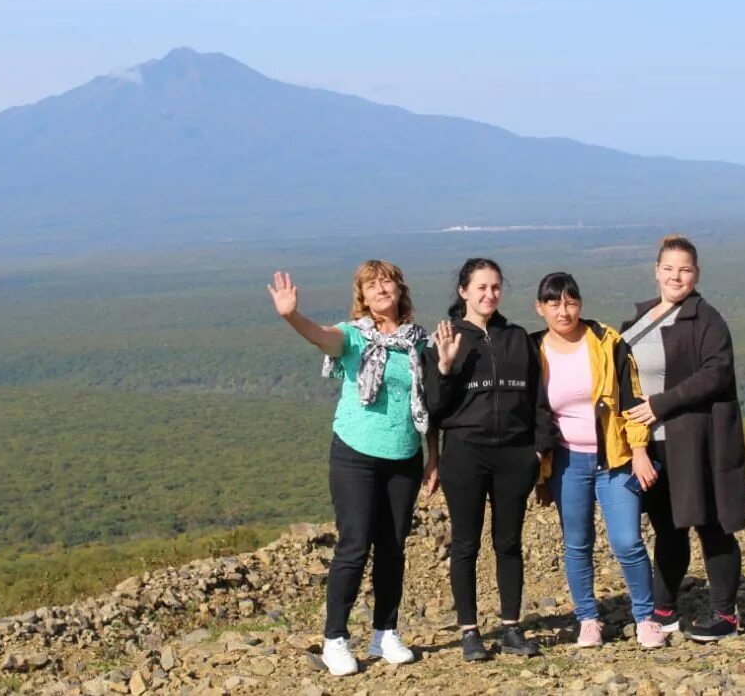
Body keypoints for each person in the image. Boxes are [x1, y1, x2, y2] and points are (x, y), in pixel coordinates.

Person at [267, 261, 429, 675]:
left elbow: (428, 402)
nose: (380, 289)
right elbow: (322, 337)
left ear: (399, 288)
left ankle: (385, 632)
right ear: (362, 294)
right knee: (354, 544)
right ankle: (335, 639)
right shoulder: (354, 336)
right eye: (371, 284)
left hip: (405, 454)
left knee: (392, 546)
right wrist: (291, 316)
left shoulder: (417, 342)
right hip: (355, 454)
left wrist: (435, 456)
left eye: (387, 281)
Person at [621, 235, 745, 642]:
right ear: (656, 271)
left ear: (697, 274)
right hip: (652, 443)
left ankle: (725, 614)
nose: (677, 276)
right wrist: (636, 442)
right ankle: (664, 608)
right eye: (670, 268)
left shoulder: (706, 319)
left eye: (686, 269)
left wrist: (662, 403)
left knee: (710, 523)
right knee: (668, 527)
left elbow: (717, 374)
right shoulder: (638, 321)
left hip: (695, 441)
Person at [531, 272, 666, 649]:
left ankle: (646, 617)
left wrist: (640, 451)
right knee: (577, 542)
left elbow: (632, 399)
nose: (564, 310)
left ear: (581, 304)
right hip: (566, 462)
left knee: (627, 541)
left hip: (616, 458)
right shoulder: (533, 350)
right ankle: (588, 619)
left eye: (570, 301)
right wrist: (541, 475)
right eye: (554, 303)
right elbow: (533, 413)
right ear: (539, 308)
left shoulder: (607, 342)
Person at [423, 258, 548, 662]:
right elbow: (431, 409)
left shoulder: (517, 338)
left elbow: (539, 399)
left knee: (509, 543)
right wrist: (443, 366)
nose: (489, 294)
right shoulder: (444, 338)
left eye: (495, 287)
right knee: (465, 544)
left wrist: (538, 450)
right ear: (463, 291)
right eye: (480, 287)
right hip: (465, 452)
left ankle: (512, 627)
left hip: (515, 453)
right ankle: (470, 631)